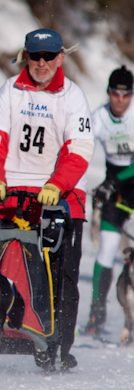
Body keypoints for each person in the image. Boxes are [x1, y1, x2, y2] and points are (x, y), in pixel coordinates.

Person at [0, 28, 94, 370]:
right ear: (26, 56)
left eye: (49, 56)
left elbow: (79, 149)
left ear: (61, 57)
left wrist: (56, 184)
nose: (42, 63)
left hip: (61, 195)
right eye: (35, 56)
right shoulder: (10, 90)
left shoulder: (72, 96)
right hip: (13, 192)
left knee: (62, 276)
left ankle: (59, 346)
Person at [84, 66, 134, 337]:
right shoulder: (99, 118)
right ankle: (97, 312)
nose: (120, 100)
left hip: (122, 182)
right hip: (116, 190)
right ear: (108, 93)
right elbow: (80, 146)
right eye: (115, 94)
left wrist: (111, 183)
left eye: (126, 95)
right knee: (106, 249)